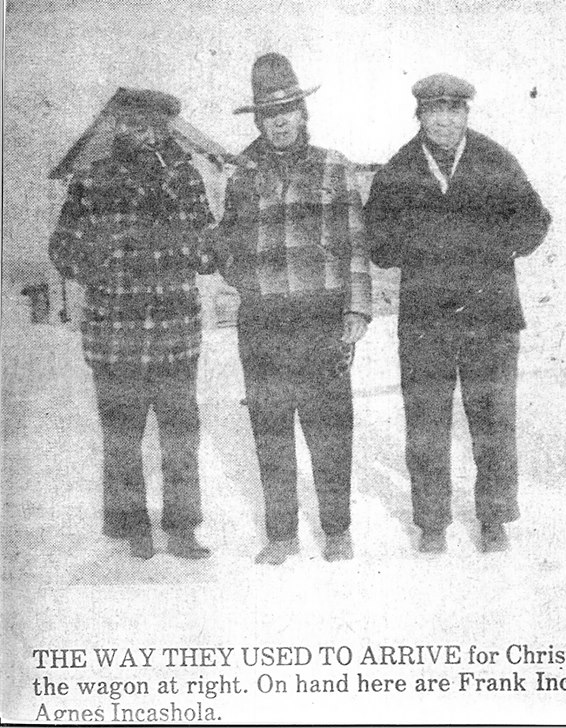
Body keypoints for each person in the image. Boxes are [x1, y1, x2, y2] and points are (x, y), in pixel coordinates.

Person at [364, 73, 551, 554]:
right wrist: (427, 246)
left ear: (466, 113)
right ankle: (431, 522)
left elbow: (535, 221)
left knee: (493, 421)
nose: (444, 120)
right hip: (426, 322)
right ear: (420, 116)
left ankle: (494, 519)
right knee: (426, 424)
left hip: (490, 317)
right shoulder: (398, 170)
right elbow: (379, 246)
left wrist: (490, 247)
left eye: (454, 110)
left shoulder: (495, 159)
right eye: (433, 111)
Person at [214, 53, 371, 565]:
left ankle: (337, 530)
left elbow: (356, 246)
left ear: (303, 113)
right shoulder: (242, 174)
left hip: (321, 318)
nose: (280, 121)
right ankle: (281, 534)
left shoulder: (335, 167)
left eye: (288, 111)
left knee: (330, 429)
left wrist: (355, 311)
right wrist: (256, 283)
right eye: (269, 113)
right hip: (263, 322)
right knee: (271, 427)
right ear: (258, 120)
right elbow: (228, 250)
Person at [49, 88, 216, 560]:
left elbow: (207, 249)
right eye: (131, 124)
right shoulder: (92, 179)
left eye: (150, 126)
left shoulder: (184, 178)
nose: (140, 134)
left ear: (164, 128)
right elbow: (62, 248)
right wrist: (102, 267)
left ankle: (182, 529)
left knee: (181, 436)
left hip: (175, 333)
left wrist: (188, 245)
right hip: (114, 334)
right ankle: (131, 526)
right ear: (119, 127)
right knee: (122, 437)